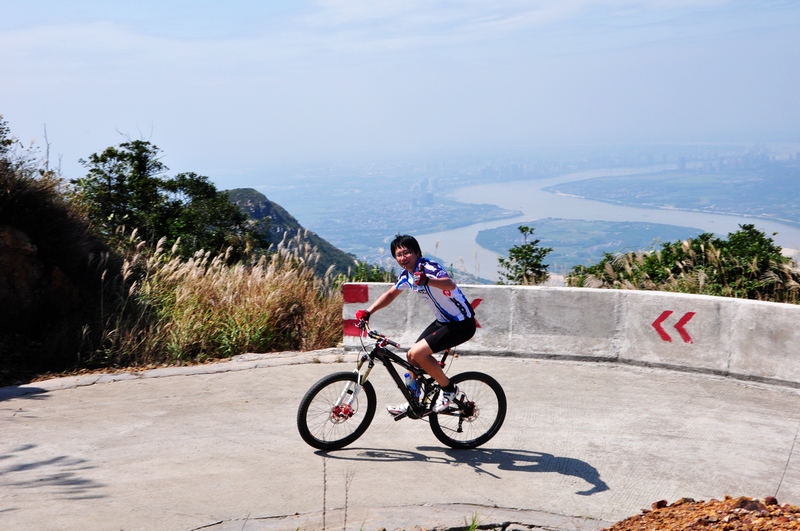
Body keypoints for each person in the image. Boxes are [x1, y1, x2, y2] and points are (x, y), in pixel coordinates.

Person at [355, 234, 477, 415]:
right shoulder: (407, 276)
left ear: (417, 252)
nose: (403, 257)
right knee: (411, 358)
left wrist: (428, 280)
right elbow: (390, 294)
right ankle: (414, 402)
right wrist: (368, 312)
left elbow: (450, 284)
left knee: (418, 353)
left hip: (462, 323)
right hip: (443, 321)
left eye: (407, 253)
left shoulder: (429, 268)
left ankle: (449, 389)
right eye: (398, 255)